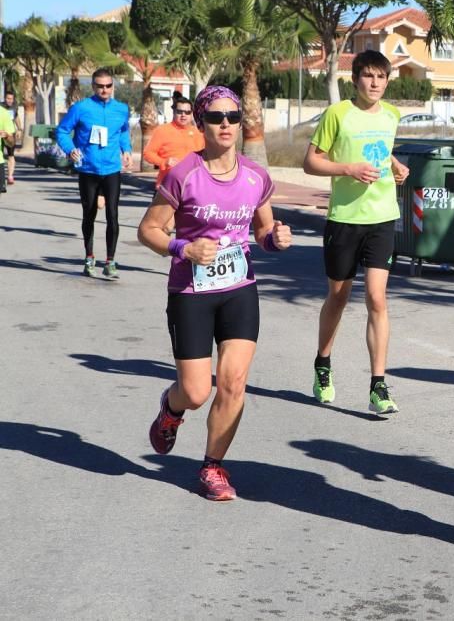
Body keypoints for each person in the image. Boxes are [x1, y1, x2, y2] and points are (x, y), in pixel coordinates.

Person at [137, 86, 292, 501]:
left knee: (234, 382)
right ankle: (171, 411)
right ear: (202, 124)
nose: (226, 124)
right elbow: (148, 229)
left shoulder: (256, 176)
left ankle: (212, 466)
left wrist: (275, 238)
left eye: (233, 117)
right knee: (196, 391)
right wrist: (182, 248)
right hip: (191, 290)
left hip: (239, 288)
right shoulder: (183, 173)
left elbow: (262, 231)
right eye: (216, 117)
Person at [302, 50, 409, 414]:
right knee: (338, 297)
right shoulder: (338, 114)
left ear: (388, 80)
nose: (375, 83)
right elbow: (311, 161)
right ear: (356, 79)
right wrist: (347, 168)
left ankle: (378, 384)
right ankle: (323, 364)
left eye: (381, 77)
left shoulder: (393, 115)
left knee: (377, 298)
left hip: (382, 217)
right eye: (368, 76)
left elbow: (382, 149)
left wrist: (396, 165)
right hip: (345, 219)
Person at [56, 68, 133, 279]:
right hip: (88, 169)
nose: (104, 90)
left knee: (113, 216)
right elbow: (62, 130)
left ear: (113, 86)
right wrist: (70, 149)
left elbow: (123, 131)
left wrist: (126, 150)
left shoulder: (121, 109)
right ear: (93, 86)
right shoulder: (81, 108)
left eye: (108, 85)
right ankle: (89, 256)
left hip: (111, 170)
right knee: (89, 214)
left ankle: (110, 260)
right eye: (100, 86)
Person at [141, 95, 205, 188]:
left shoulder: (199, 133)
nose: (183, 115)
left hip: (192, 186)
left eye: (187, 112)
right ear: (174, 112)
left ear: (192, 114)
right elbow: (148, 154)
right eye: (180, 112)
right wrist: (164, 162)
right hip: (167, 186)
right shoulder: (162, 130)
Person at [1, 91, 23, 186]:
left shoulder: (14, 107)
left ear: (13, 99)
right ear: (4, 98)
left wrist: (19, 129)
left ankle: (10, 176)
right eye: (7, 98)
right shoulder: (1, 107)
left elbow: (16, 118)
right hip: (1, 131)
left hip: (10, 133)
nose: (9, 100)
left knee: (11, 155)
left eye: (11, 99)